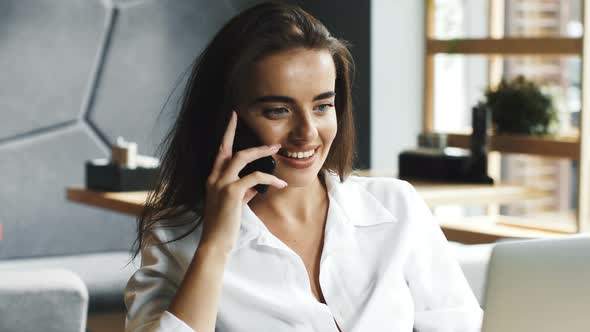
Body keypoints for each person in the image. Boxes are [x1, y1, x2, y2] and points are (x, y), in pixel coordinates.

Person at [124, 2, 483, 331]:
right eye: (278, 110)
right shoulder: (176, 239)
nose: (307, 134)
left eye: (322, 106)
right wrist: (216, 245)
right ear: (224, 119)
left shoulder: (397, 206)